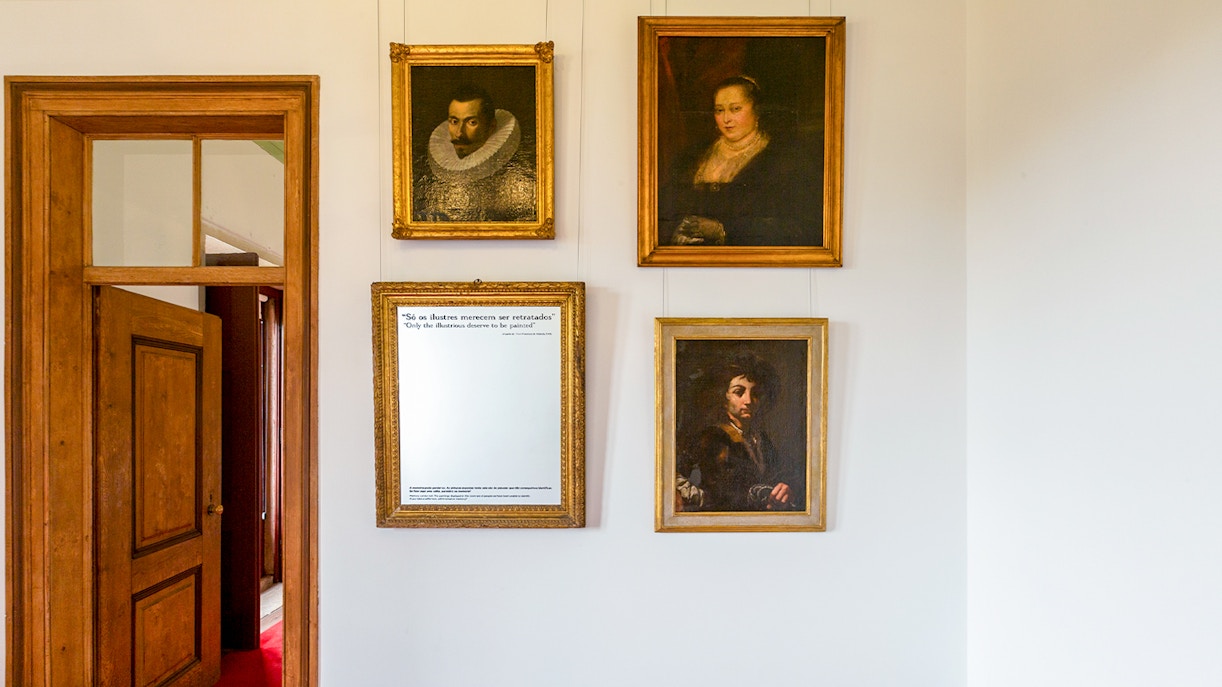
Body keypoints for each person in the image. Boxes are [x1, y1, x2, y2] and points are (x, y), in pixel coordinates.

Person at [659, 75, 822, 247]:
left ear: (756, 110)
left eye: (735, 109)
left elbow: (802, 227)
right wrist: (675, 232)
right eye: (719, 110)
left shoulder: (784, 161)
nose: (726, 119)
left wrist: (723, 230)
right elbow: (664, 211)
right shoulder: (692, 157)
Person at [676, 353, 802, 512]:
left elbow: (778, 474)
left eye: (755, 393)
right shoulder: (712, 437)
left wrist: (783, 491)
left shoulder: (761, 439)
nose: (748, 400)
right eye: (739, 392)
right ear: (724, 397)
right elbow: (719, 491)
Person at [413, 83, 537, 222]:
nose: (459, 133)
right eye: (454, 121)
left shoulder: (513, 180)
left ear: (491, 127)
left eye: (471, 122)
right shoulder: (426, 177)